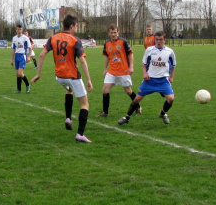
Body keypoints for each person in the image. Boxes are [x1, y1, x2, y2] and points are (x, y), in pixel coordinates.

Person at [30, 15, 93, 143]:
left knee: (69, 90)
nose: (76, 29)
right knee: (85, 105)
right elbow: (82, 60)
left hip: (59, 77)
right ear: (71, 26)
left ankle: (68, 118)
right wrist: (89, 79)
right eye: (76, 26)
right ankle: (80, 134)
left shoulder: (53, 38)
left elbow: (41, 55)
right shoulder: (75, 40)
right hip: (72, 76)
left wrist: (38, 74)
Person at [118, 31, 176, 125]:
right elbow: (144, 64)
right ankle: (127, 117)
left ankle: (163, 113)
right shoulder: (149, 50)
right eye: (157, 39)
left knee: (171, 99)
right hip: (149, 80)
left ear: (164, 40)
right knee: (136, 99)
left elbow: (173, 65)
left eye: (161, 39)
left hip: (163, 80)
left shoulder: (170, 52)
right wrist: (145, 74)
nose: (158, 41)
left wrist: (172, 76)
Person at [97, 25, 141, 118]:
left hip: (123, 71)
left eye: (115, 32)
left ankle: (138, 107)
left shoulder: (123, 42)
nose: (113, 34)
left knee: (128, 91)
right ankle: (105, 112)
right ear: (109, 33)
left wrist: (131, 66)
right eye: (111, 32)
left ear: (118, 32)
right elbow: (107, 57)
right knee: (105, 89)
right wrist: (105, 69)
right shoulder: (107, 43)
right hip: (112, 71)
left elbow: (130, 54)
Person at [10, 25, 31, 93]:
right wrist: (12, 59)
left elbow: (30, 47)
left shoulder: (25, 38)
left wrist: (28, 56)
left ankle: (28, 85)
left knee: (20, 73)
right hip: (16, 56)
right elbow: (13, 49)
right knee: (17, 74)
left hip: (22, 56)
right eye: (18, 29)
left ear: (22, 30)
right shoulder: (14, 38)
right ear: (16, 30)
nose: (19, 30)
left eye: (20, 29)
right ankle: (19, 90)